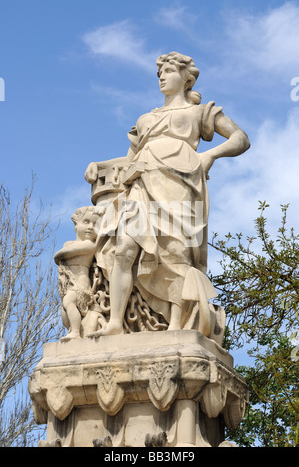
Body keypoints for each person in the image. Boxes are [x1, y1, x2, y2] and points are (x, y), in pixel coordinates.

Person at [87, 52, 250, 338]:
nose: (162, 77)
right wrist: (99, 166)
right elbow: (129, 159)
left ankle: (177, 324)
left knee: (176, 253)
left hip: (180, 183)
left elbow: (240, 139)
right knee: (125, 249)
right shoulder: (146, 119)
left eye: (169, 71)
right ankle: (115, 323)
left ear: (186, 78)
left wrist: (210, 155)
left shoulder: (200, 112)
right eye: (159, 73)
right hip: (141, 185)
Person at [55, 206, 100, 341]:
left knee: (69, 301)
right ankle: (72, 329)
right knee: (65, 310)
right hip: (68, 284)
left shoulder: (90, 245)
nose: (91, 227)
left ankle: (75, 333)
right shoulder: (69, 243)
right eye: (86, 222)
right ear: (76, 224)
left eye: (95, 224)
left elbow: (62, 254)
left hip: (80, 283)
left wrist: (58, 256)